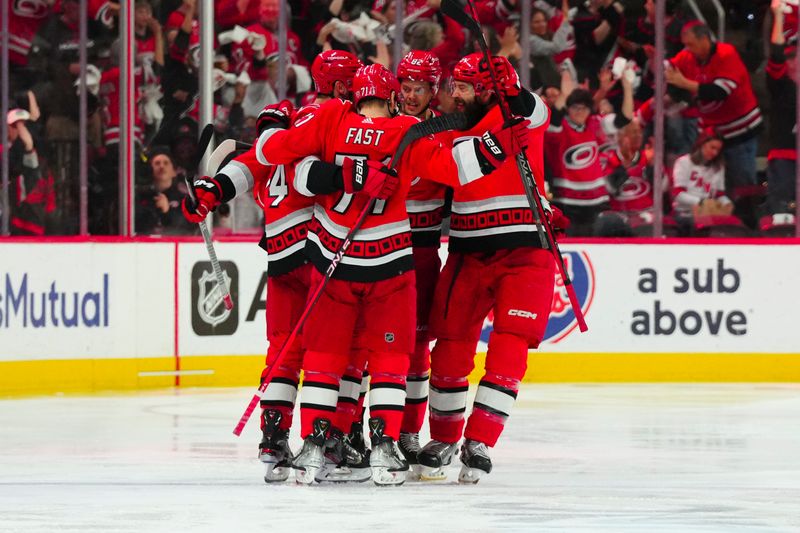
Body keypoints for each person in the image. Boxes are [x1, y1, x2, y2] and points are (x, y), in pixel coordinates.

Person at [255, 63, 529, 485]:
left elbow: (291, 167)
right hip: (389, 265)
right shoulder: (404, 129)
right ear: (394, 96)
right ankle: (385, 447)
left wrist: (341, 171)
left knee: (326, 357)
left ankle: (314, 445)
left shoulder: (330, 118)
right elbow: (456, 169)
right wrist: (496, 147)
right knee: (391, 359)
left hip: (333, 261)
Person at [182, 50, 365, 483]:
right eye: (354, 84)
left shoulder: (284, 127)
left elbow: (249, 168)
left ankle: (273, 440)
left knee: (284, 348)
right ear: (340, 87)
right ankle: (332, 439)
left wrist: (212, 189)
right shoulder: (338, 120)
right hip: (323, 252)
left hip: (282, 256)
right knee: (338, 350)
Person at [416, 54, 557, 484]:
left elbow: (540, 109)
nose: (452, 94)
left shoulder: (519, 113)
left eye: (461, 87)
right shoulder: (449, 126)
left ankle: (480, 441)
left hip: (526, 252)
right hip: (467, 251)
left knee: (509, 348)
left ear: (485, 90)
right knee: (452, 347)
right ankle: (443, 437)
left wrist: (512, 93)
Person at [393, 50, 447, 473]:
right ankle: (366, 429)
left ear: (434, 90)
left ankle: (408, 431)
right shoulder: (382, 125)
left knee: (415, 348)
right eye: (406, 87)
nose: (411, 96)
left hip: (424, 253)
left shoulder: (445, 132)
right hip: (378, 250)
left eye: (420, 88)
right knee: (368, 347)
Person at [665, 22, 762, 195]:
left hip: (740, 131)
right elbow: (668, 70)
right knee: (710, 186)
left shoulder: (726, 54)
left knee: (742, 186)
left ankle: (746, 219)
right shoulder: (688, 56)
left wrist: (684, 83)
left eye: (691, 44)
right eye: (685, 45)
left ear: (704, 39)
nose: (687, 49)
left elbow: (719, 92)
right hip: (713, 133)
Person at [765, 0, 797, 215]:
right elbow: (777, 52)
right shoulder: (780, 83)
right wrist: (778, 17)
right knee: (783, 215)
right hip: (785, 158)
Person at [671, 131, 733, 235]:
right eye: (712, 148)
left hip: (708, 212)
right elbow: (678, 194)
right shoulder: (684, 162)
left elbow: (719, 194)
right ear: (702, 144)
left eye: (718, 150)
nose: (715, 153)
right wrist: (701, 202)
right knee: (702, 226)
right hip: (684, 212)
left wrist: (727, 203)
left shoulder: (718, 167)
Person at [137, 147, 194, 235]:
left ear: (174, 171)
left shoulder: (185, 199)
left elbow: (188, 226)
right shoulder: (142, 196)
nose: (161, 166)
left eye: (166, 163)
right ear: (150, 170)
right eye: (157, 163)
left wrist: (168, 211)